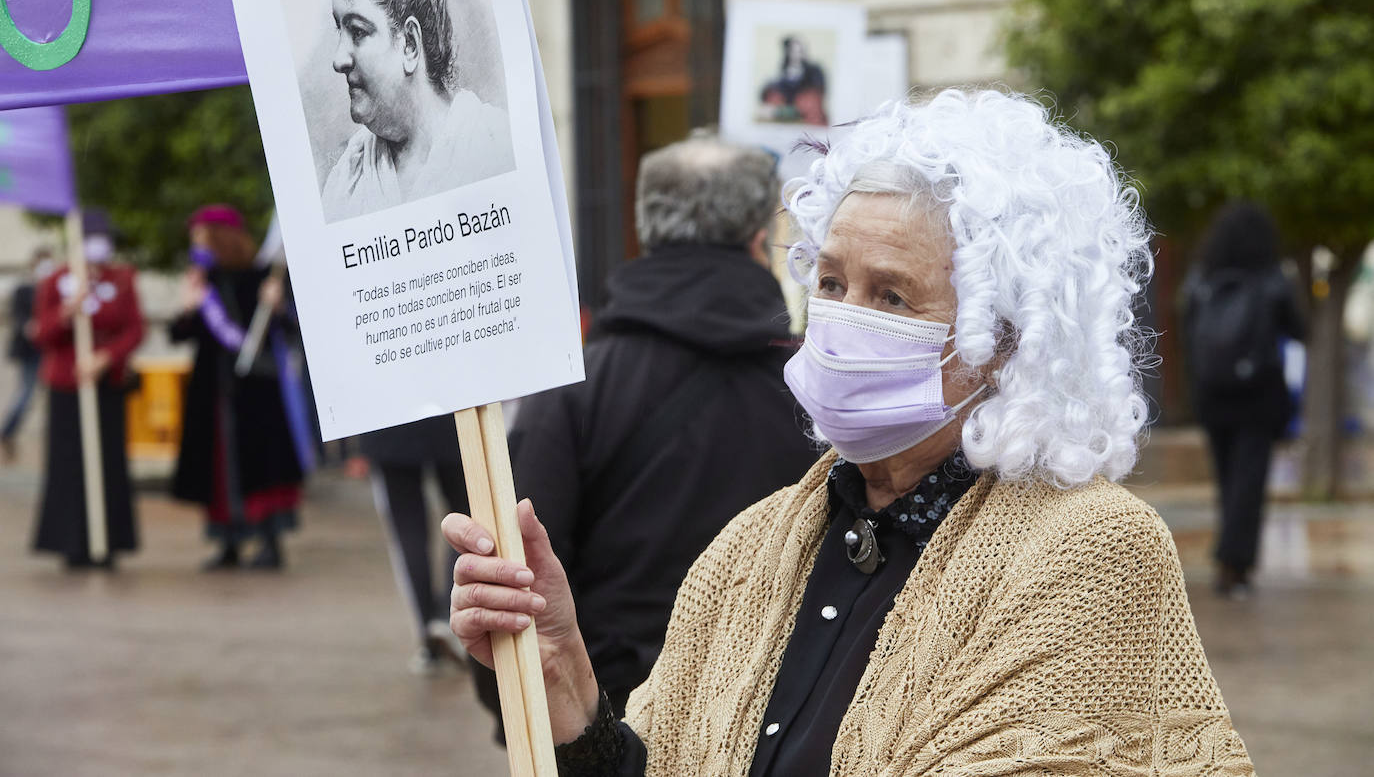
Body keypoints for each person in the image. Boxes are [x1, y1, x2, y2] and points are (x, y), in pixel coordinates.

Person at [445, 90, 1255, 775]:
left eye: (892, 297)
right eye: (830, 282)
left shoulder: (1092, 549)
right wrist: (572, 699)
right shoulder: (751, 551)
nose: (842, 319)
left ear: (1003, 342)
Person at [504, 134, 820, 717]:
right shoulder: (819, 387)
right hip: (778, 718)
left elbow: (512, 572)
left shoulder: (576, 385)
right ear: (757, 239)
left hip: (609, 720)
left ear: (647, 232)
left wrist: (534, 717)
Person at [320, 0, 513, 221]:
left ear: (409, 43)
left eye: (359, 32)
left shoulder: (494, 147)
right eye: (340, 29)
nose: (339, 59)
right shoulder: (347, 179)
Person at [170, 205, 305, 570]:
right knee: (219, 469)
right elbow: (179, 334)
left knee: (261, 465)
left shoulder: (260, 276)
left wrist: (277, 307)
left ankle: (269, 542)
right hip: (213, 391)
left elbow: (291, 328)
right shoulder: (203, 281)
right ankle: (227, 543)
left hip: (255, 390)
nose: (195, 244)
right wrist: (187, 309)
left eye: (200, 235)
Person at [1181, 201, 1305, 598]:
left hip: (1212, 394)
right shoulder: (1271, 278)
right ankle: (1234, 567)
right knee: (1249, 483)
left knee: (1228, 479)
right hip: (1259, 395)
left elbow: (1185, 330)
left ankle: (1231, 562)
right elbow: (1299, 329)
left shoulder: (1201, 278)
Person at [32, 212, 143, 570]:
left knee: (108, 463)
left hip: (105, 384)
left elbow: (134, 328)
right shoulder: (55, 281)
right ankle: (71, 541)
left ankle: (107, 542)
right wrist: (68, 312)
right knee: (69, 464)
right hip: (68, 385)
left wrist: (106, 358)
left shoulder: (122, 279)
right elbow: (42, 334)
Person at [345, 416, 472, 675]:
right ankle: (443, 620)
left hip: (389, 421)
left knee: (408, 531)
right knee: (468, 515)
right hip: (451, 415)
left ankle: (430, 634)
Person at [2, 248, 55, 463]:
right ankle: (7, 431)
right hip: (30, 350)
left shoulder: (53, 287)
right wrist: (30, 327)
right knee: (27, 392)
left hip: (49, 348)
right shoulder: (24, 289)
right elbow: (19, 317)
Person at [759, 35, 828, 126]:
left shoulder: (814, 72)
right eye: (793, 51)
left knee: (810, 98)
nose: (797, 54)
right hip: (788, 111)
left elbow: (813, 101)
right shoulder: (783, 73)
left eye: (800, 51)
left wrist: (782, 111)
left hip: (809, 118)